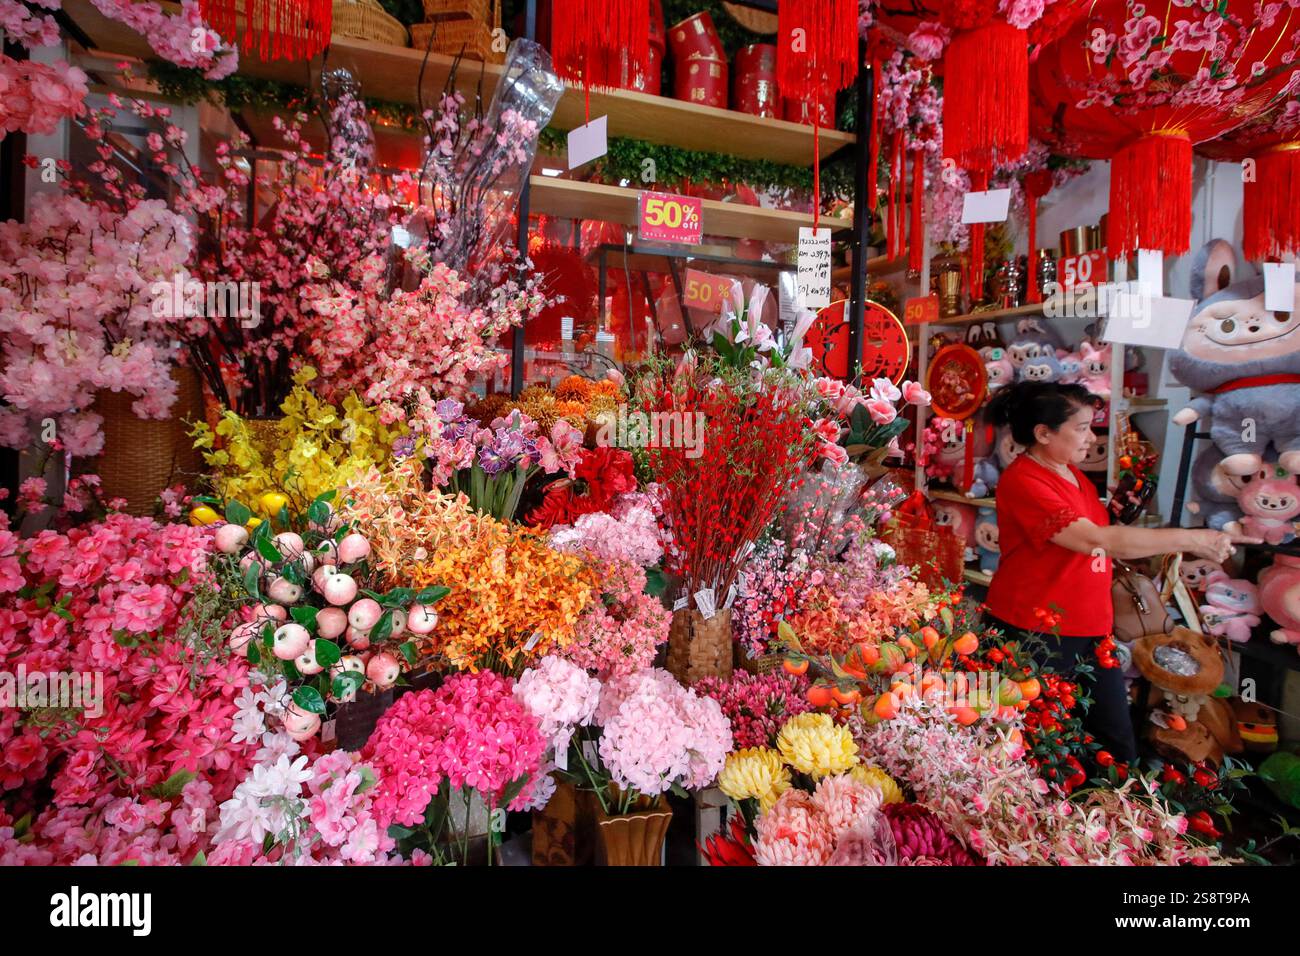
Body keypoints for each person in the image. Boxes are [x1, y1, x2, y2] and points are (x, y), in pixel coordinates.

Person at [981, 381, 1255, 763]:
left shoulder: (1071, 475)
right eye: (1081, 428)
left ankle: (1112, 814)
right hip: (1038, 628)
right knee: (1037, 743)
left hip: (1090, 625)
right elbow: (1097, 541)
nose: (1091, 438)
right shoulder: (1024, 480)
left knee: (1112, 740)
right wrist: (1192, 540)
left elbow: (1098, 532)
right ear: (1043, 433)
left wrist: (1119, 512)